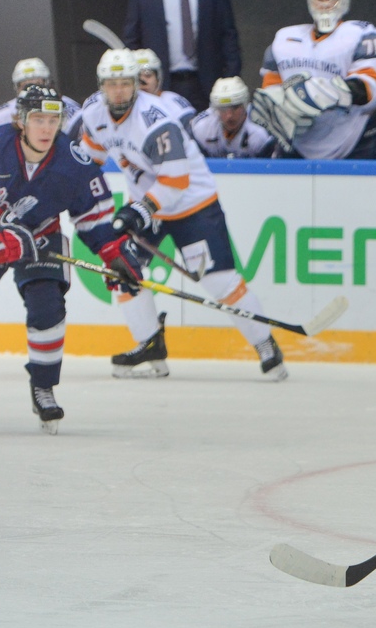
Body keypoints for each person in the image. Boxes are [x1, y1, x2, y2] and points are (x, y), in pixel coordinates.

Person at [79, 49, 288, 381]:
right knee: (121, 270)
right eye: (111, 84)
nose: (118, 91)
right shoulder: (94, 114)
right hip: (149, 205)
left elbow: (176, 181)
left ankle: (265, 345)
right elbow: (88, 161)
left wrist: (138, 211)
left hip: (193, 205)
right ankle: (150, 344)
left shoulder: (156, 120)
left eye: (125, 83)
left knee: (219, 281)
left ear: (135, 84)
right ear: (101, 85)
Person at [0, 86, 118, 433]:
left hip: (40, 236)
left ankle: (43, 386)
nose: (46, 128)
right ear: (20, 121)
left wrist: (114, 254)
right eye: (38, 119)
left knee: (48, 309)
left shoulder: (73, 162)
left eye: (53, 120)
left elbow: (95, 214)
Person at [252, 0, 376, 160]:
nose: (325, 4)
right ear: (310, 0)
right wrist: (283, 106)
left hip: (353, 141)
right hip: (298, 142)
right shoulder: (284, 39)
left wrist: (331, 93)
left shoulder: (364, 34)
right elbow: (271, 87)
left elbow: (374, 87)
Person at [123, 0, 241, 112]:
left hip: (206, 84)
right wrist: (141, 80)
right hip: (160, 84)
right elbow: (132, 40)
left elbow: (228, 35)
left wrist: (230, 77)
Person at [0, 58, 83, 136]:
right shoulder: (1, 115)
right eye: (25, 86)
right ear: (17, 88)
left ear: (47, 84)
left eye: (37, 84)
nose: (32, 91)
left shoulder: (70, 109)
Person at [190, 77, 274, 158]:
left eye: (235, 108)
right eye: (223, 109)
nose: (229, 115)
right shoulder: (201, 128)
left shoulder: (260, 132)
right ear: (215, 109)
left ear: (245, 105)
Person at [134, 48, 197, 128]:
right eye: (137, 77)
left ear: (158, 78)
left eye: (148, 75)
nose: (143, 82)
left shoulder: (175, 102)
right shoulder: (124, 111)